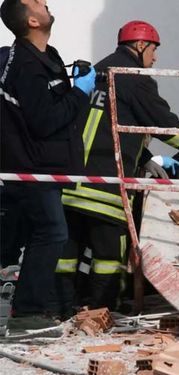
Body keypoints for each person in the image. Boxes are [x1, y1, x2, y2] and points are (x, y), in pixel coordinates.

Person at [55, 20, 179, 315]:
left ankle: (61, 305)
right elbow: (161, 121)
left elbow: (108, 123)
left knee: (68, 251)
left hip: (71, 182)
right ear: (141, 46)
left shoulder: (100, 71)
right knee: (107, 256)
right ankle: (102, 309)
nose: (155, 59)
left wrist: (144, 159)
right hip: (104, 187)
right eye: (154, 50)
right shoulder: (133, 76)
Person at [0, 0, 94, 329]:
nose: (45, 3)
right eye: (37, 2)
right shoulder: (24, 64)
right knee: (52, 231)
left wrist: (75, 82)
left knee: (17, 238)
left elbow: (64, 116)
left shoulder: (49, 57)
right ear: (32, 21)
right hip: (29, 167)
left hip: (49, 166)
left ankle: (24, 308)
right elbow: (45, 120)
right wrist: (81, 93)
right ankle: (27, 314)